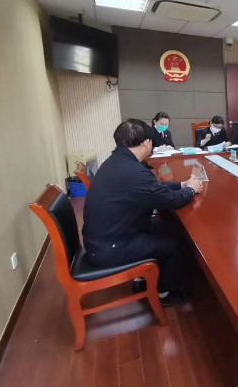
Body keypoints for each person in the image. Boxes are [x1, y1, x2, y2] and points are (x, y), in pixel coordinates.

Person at [82, 119, 204, 306]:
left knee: (167, 226)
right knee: (176, 245)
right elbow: (171, 201)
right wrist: (191, 189)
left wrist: (181, 184)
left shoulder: (118, 163)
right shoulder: (135, 173)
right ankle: (166, 292)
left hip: (105, 237)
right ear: (146, 143)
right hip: (111, 248)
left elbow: (153, 188)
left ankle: (143, 278)